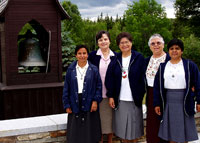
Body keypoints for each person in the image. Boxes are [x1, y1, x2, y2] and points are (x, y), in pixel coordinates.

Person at [153, 38, 200, 143]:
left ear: (181, 51)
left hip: (185, 101)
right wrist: (157, 103)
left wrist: (199, 100)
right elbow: (157, 87)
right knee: (171, 134)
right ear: (168, 51)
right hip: (168, 103)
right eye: (171, 48)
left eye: (177, 48)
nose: (174, 51)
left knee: (184, 134)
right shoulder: (163, 67)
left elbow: (197, 83)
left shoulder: (189, 65)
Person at [105, 32, 145, 143]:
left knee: (134, 130)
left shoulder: (138, 57)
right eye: (121, 43)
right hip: (120, 100)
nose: (124, 45)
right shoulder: (115, 59)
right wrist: (111, 96)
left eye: (126, 42)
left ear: (131, 43)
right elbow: (109, 79)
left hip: (134, 99)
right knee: (123, 130)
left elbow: (144, 77)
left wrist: (141, 93)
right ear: (118, 45)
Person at [62, 45, 102, 143]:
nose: (82, 55)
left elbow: (99, 87)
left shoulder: (93, 69)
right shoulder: (71, 69)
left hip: (89, 101)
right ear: (76, 55)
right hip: (74, 102)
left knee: (89, 130)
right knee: (75, 131)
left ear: (87, 55)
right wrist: (66, 104)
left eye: (84, 53)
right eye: (79, 53)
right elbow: (66, 88)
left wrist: (95, 101)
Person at [88, 30, 116, 143]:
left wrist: (113, 95)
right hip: (96, 95)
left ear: (109, 41)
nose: (103, 42)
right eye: (100, 40)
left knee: (110, 122)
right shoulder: (92, 56)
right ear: (97, 42)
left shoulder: (116, 57)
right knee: (97, 122)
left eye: (105, 39)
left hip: (111, 96)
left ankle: (110, 141)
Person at [145, 34, 170, 143]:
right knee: (152, 125)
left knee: (165, 124)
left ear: (163, 45)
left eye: (158, 43)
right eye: (153, 43)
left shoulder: (170, 59)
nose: (156, 45)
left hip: (166, 95)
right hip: (150, 95)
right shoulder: (146, 61)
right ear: (150, 46)